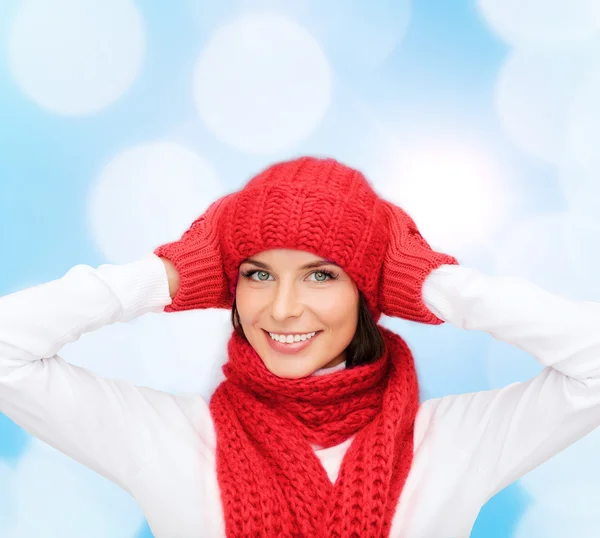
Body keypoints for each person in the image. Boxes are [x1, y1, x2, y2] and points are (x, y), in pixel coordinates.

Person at [1, 156, 599, 538]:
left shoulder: (457, 440)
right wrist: (166, 276)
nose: (282, 308)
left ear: (370, 288)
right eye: (257, 274)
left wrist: (435, 283)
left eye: (322, 275)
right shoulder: (162, 436)